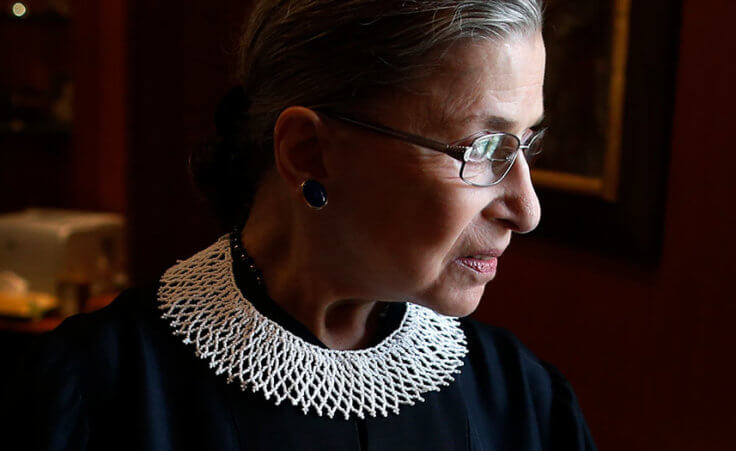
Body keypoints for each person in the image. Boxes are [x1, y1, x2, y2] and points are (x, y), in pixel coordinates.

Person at [1, 0, 597, 449]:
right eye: (483, 148)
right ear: (309, 151)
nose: (527, 208)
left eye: (528, 143)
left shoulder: (522, 401)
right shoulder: (94, 396)